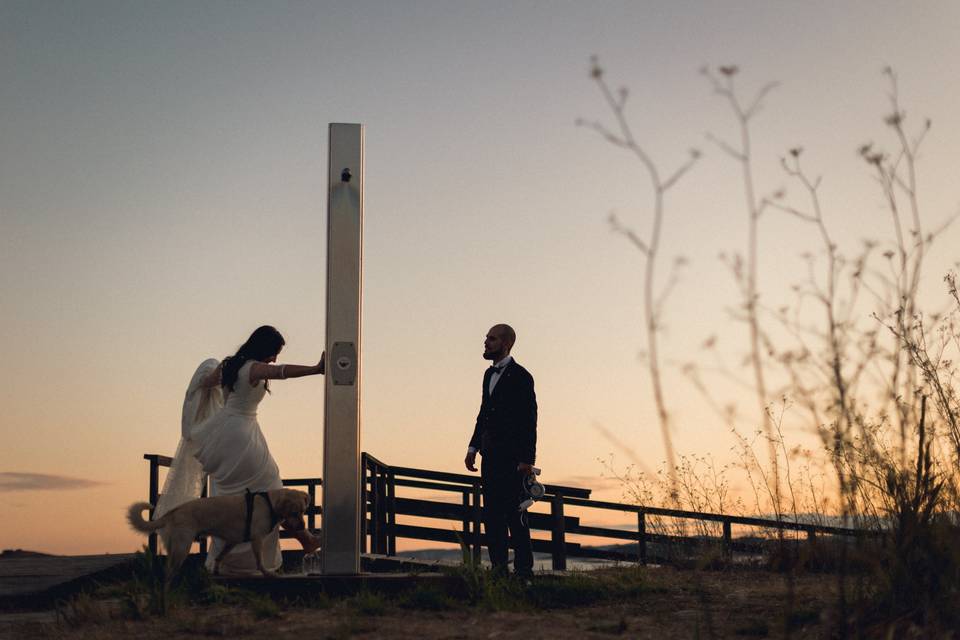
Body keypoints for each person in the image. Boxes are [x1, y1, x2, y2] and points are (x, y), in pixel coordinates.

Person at [189, 325, 324, 576]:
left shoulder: (228, 366)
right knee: (271, 489)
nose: (274, 358)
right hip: (242, 435)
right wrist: (315, 370)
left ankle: (227, 564)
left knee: (234, 500)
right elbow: (281, 372)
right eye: (274, 352)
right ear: (263, 348)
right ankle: (303, 543)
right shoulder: (252, 367)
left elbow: (205, 384)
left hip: (225, 432)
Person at [464, 324, 538, 577]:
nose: (486, 342)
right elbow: (483, 412)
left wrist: (527, 459)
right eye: (486, 338)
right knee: (492, 516)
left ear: (505, 343)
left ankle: (524, 570)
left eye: (491, 339)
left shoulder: (521, 376)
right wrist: (473, 446)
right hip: (490, 456)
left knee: (515, 515)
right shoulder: (488, 375)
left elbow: (530, 419)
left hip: (512, 459)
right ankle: (498, 569)